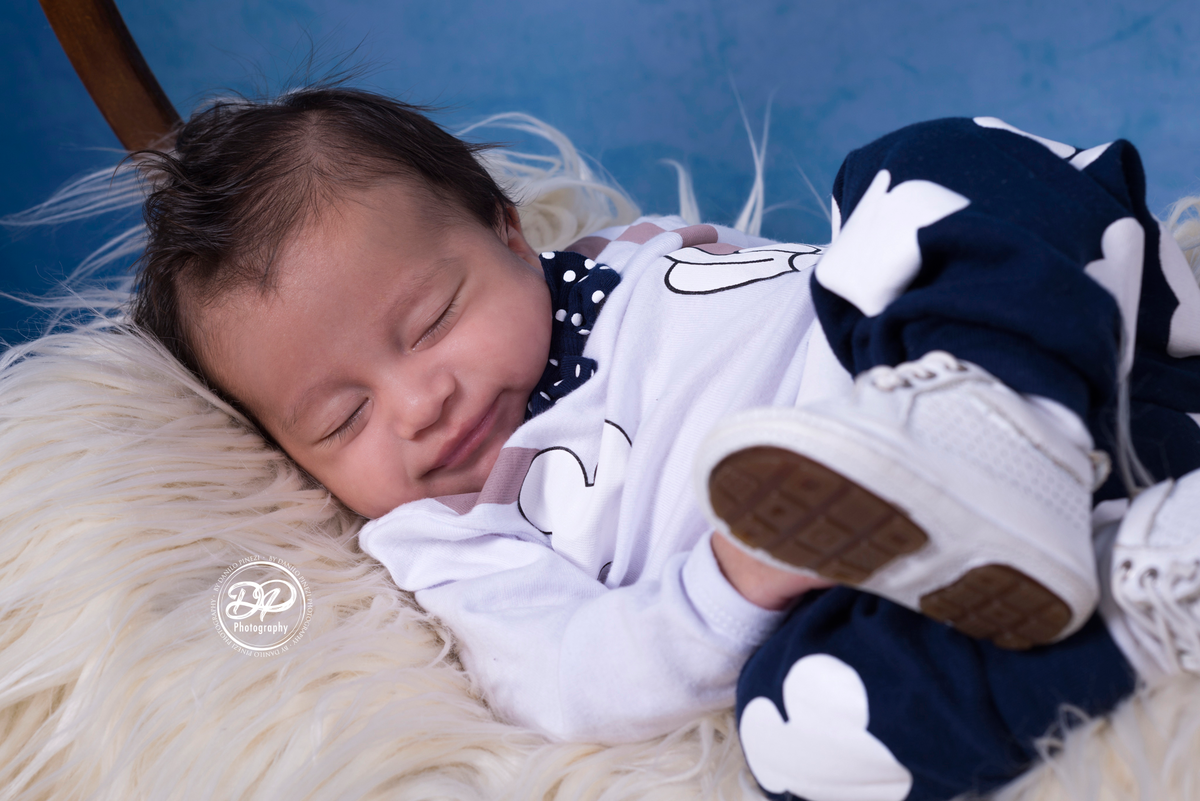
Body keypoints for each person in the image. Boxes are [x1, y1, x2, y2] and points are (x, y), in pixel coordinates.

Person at [123, 86, 1200, 801]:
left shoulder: (628, 254)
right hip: (896, 575)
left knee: (923, 174)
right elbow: (568, 673)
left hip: (1025, 362)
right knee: (799, 725)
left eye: (431, 321)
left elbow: (799, 278)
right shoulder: (443, 536)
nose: (419, 403)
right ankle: (1144, 598)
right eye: (341, 419)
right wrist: (736, 579)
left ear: (507, 231)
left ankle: (996, 425)